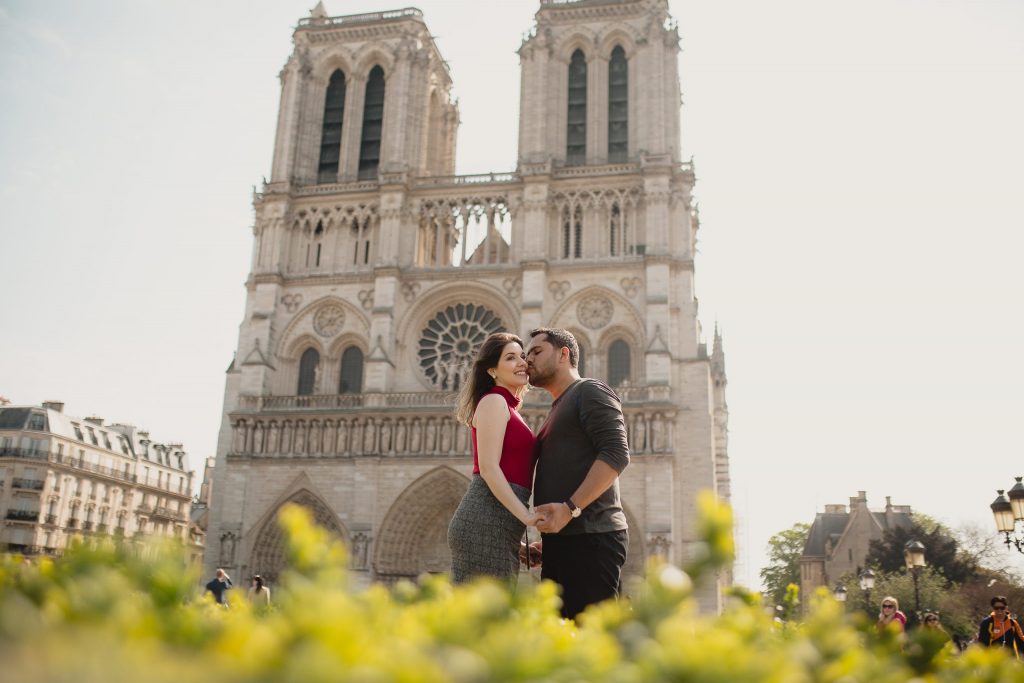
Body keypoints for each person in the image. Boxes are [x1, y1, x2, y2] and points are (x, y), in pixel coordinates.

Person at [526, 327, 629, 620]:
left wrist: (570, 509)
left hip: (592, 539)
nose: (527, 360)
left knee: (592, 645)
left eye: (536, 352)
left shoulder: (589, 390)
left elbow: (616, 453)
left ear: (563, 354)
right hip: (571, 540)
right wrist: (549, 544)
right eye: (526, 354)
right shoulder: (560, 405)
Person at [448, 332, 541, 584]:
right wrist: (527, 517)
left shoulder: (508, 407)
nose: (522, 362)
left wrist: (518, 543)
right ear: (492, 371)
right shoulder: (494, 401)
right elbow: (489, 469)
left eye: (523, 356)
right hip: (484, 524)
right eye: (511, 358)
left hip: (496, 527)